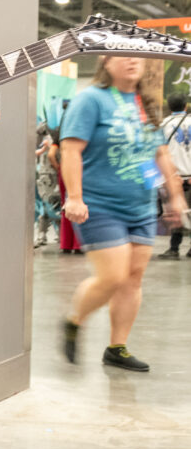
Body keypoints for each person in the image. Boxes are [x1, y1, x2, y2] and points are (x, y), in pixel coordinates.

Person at [60, 55, 185, 371]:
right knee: (113, 276)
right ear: (106, 62)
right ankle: (75, 320)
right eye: (122, 56)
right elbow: (70, 148)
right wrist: (74, 197)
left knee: (132, 278)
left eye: (137, 56)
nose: (132, 61)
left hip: (141, 208)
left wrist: (175, 196)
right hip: (100, 205)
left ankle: (117, 347)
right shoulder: (91, 100)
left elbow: (160, 154)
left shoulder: (145, 103)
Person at [157, 91, 191, 259]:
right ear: (186, 106)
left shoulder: (164, 124)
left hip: (174, 177)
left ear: (169, 107)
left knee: (176, 211)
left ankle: (174, 248)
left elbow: (158, 152)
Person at [47, 99, 83, 254]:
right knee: (79, 202)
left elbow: (51, 154)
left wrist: (59, 167)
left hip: (64, 169)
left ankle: (66, 243)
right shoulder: (81, 127)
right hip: (80, 168)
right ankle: (78, 244)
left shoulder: (60, 129)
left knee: (66, 204)